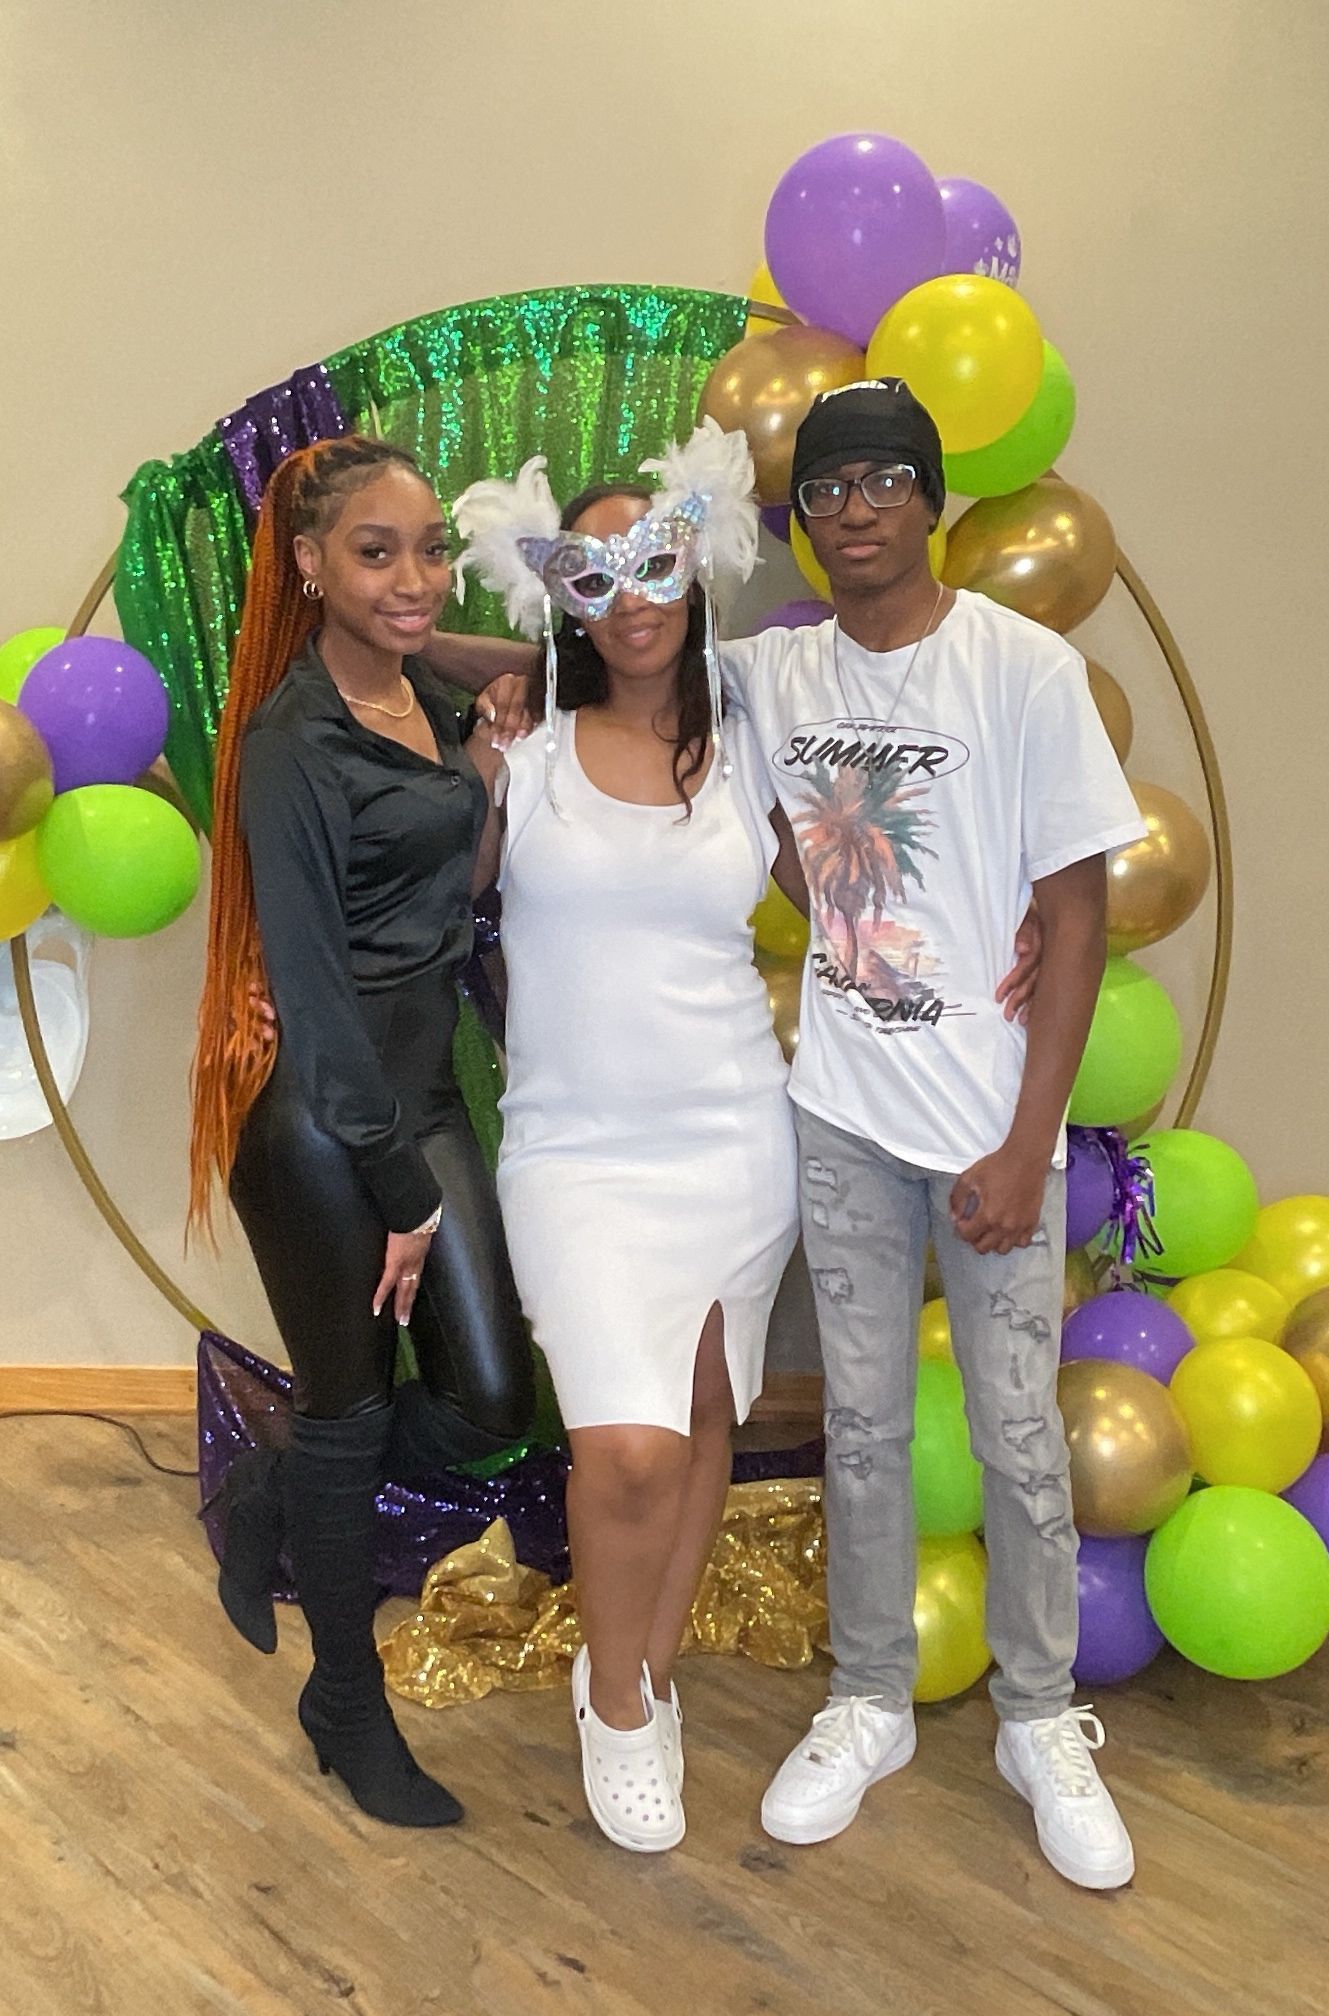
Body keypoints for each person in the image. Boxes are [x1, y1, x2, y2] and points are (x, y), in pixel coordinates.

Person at [716, 379, 1146, 1888]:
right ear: (804, 520)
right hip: (843, 1115)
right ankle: (870, 1699)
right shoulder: (770, 677)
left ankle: (1039, 1716)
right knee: (861, 1428)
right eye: (827, 488)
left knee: (1021, 1435)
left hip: (989, 1130)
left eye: (885, 480)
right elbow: (599, 653)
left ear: (934, 499)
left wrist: (1030, 1145)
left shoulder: (1025, 669)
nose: (854, 510)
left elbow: (1077, 917)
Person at [452, 423, 800, 1852]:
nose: (633, 596)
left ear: (698, 561)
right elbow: (443, 900)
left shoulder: (753, 730)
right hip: (576, 1156)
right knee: (629, 1449)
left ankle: (651, 1679)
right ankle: (608, 1700)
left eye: (657, 560)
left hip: (734, 1135)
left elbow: (859, 885)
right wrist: (498, 702)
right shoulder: (519, 752)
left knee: (707, 1412)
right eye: (592, 575)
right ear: (557, 597)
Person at [188, 435, 536, 1829]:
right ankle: (344, 1697)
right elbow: (315, 997)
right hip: (325, 1123)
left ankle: (275, 1490)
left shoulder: (416, 694)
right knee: (350, 1411)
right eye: (374, 552)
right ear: (308, 564)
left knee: (491, 1402)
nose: (415, 577)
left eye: (431, 549)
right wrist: (398, 1188)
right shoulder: (291, 743)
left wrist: (477, 731)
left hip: (423, 1090)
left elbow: (464, 875)